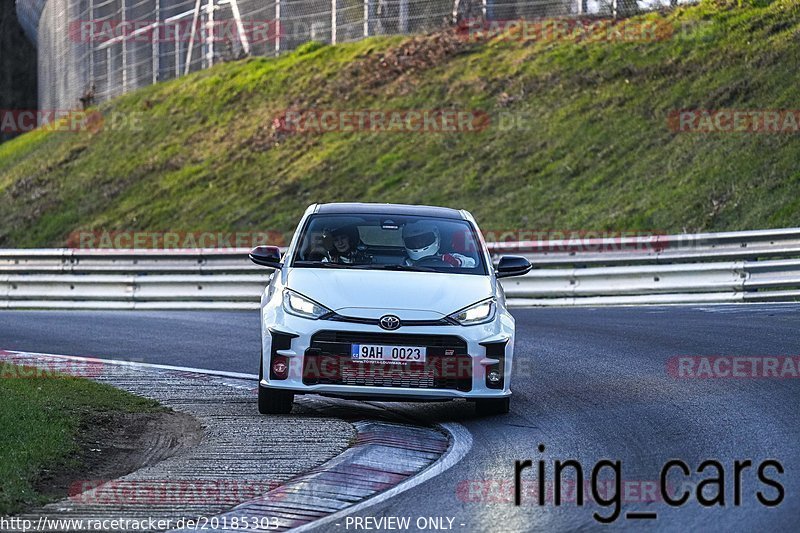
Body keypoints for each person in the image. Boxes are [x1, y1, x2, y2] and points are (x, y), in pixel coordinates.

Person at [402, 221, 476, 267]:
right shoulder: (403, 264)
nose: (419, 244)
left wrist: (457, 262)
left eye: (423, 239)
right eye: (414, 241)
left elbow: (472, 263)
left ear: (436, 237)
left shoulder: (448, 258)